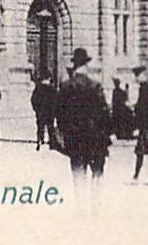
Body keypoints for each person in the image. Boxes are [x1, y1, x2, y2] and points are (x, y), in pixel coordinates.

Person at [55, 49, 111, 212]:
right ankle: (95, 206)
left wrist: (66, 134)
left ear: (74, 65)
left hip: (75, 140)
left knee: (78, 174)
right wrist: (106, 134)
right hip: (95, 139)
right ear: (86, 65)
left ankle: (81, 208)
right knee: (97, 173)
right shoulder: (95, 86)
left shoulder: (66, 87)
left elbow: (60, 114)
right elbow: (104, 114)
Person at [30, 73, 57, 151]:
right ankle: (51, 143)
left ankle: (39, 141)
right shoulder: (52, 89)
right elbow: (56, 100)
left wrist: (36, 109)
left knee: (40, 127)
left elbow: (33, 100)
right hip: (50, 112)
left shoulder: (38, 89)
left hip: (40, 112)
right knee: (50, 127)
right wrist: (54, 111)